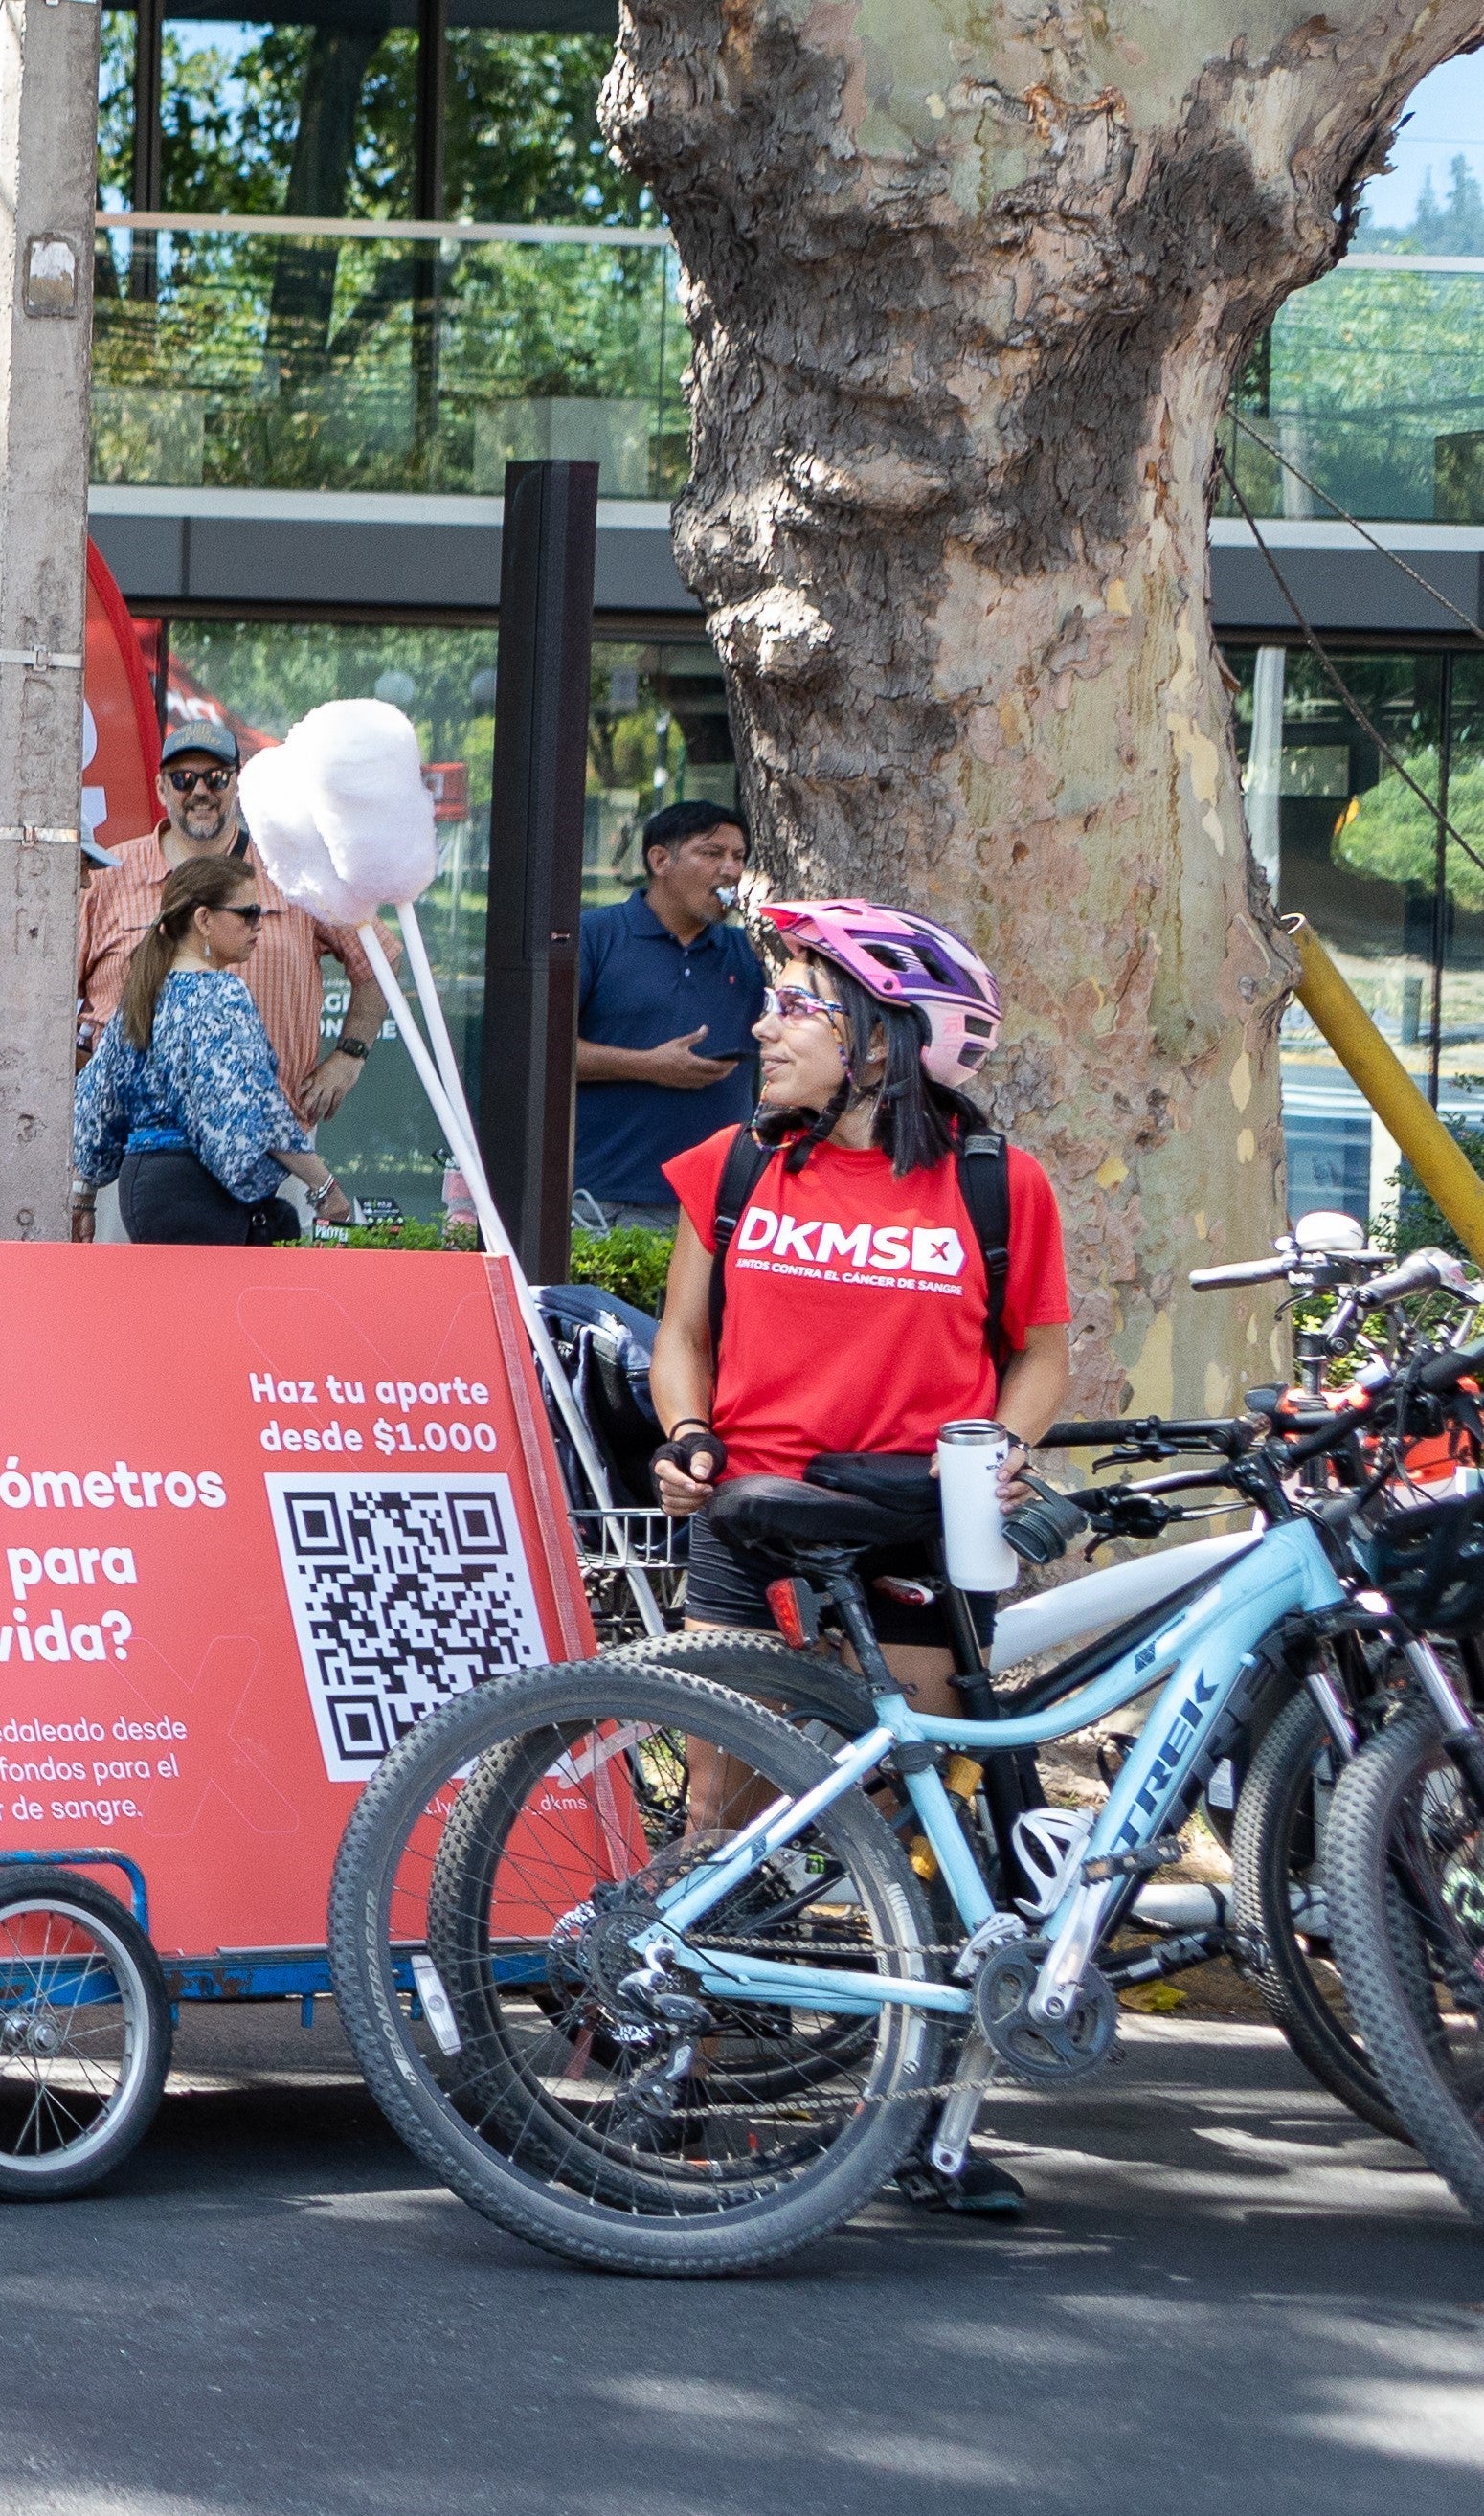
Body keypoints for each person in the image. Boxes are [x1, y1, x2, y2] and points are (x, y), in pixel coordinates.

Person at [641, 899, 1056, 2214]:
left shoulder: (996, 1184)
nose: (764, 1023)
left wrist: (1009, 1444)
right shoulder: (733, 1168)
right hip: (751, 1520)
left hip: (914, 1528)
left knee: (907, 1829)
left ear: (887, 1036)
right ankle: (668, 2075)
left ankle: (915, 2121)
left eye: (799, 1004)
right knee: (712, 1823)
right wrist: (687, 1432)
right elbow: (680, 1335)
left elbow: (1037, 1349)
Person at [75, 721, 385, 1133]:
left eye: (215, 778)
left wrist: (349, 1056)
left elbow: (379, 960)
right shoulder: (105, 878)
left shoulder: (290, 870)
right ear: (160, 788)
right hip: (132, 1147)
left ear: (237, 784)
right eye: (183, 779)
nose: (200, 791)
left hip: (268, 1144)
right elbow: (40, 1001)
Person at [75, 856, 339, 1247]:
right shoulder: (222, 994)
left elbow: (96, 1103)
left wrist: (84, 1195)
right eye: (248, 913)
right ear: (203, 920)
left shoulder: (142, 996)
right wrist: (324, 1186)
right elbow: (258, 1109)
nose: (258, 924)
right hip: (199, 1192)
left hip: (143, 1192)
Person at [573, 799, 766, 1237]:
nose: (731, 870)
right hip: (604, 1198)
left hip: (720, 1202)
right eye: (712, 853)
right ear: (660, 860)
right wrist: (649, 1065)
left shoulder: (751, 952)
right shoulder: (595, 936)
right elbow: (538, 1052)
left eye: (738, 857)